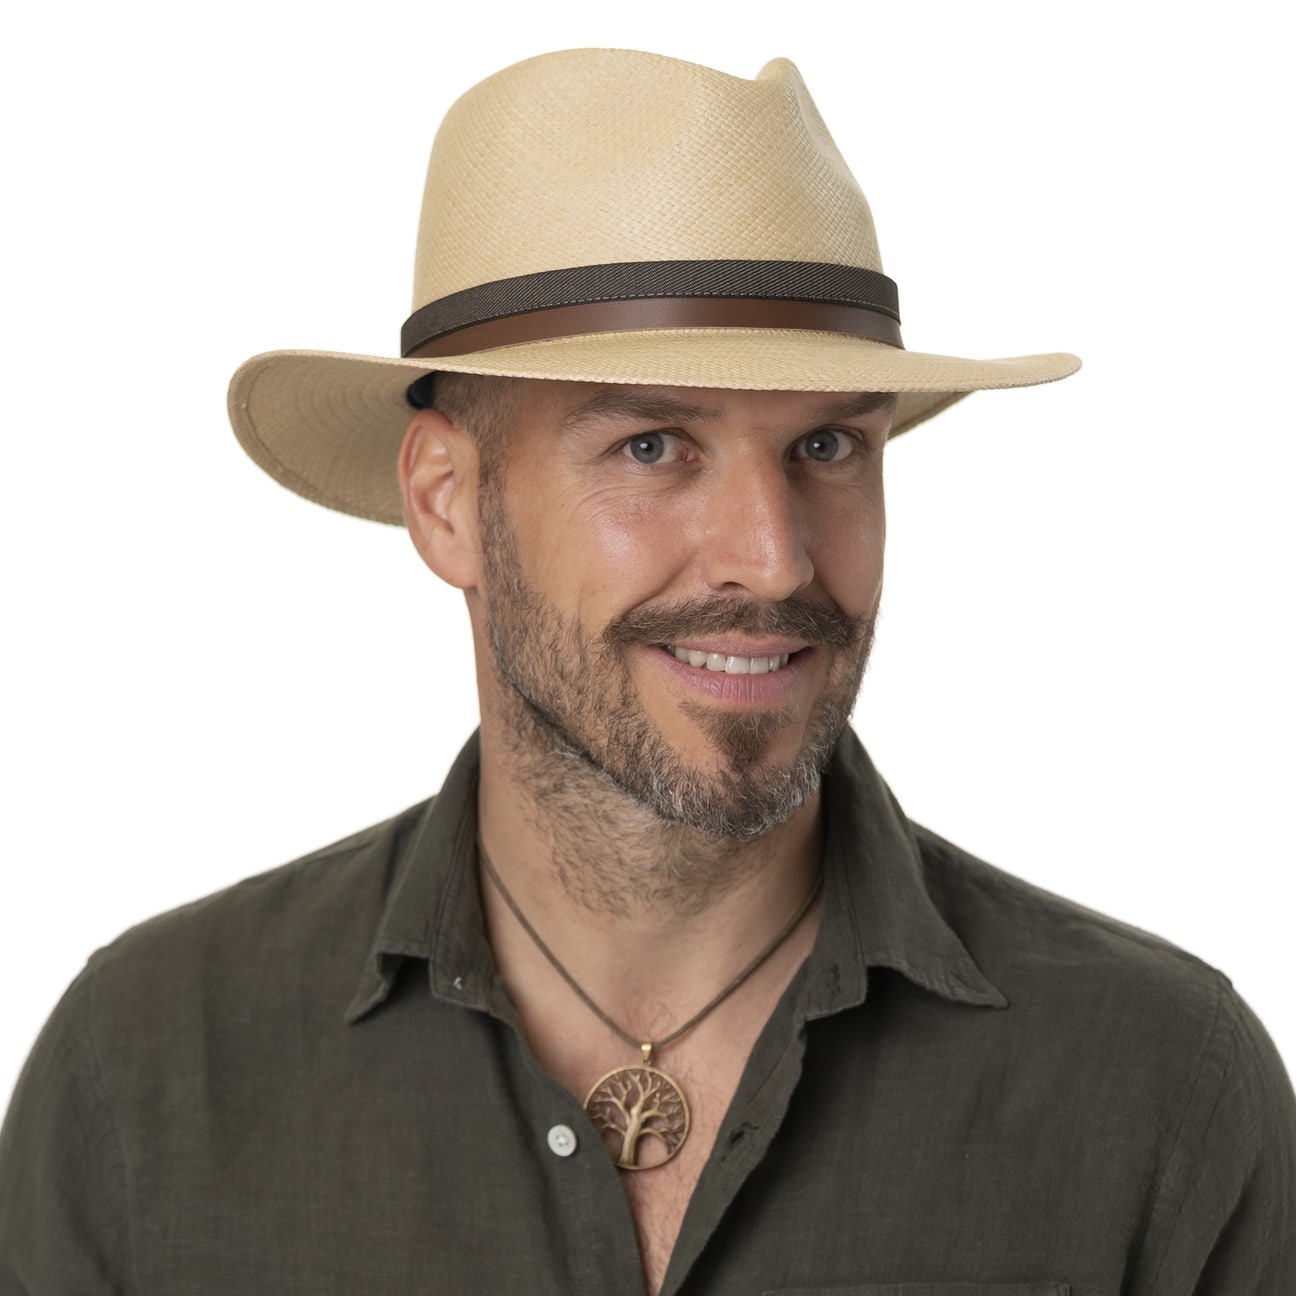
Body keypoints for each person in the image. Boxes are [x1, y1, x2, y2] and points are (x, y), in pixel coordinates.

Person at [1, 46, 1292, 1296]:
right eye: (654, 446)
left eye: (829, 446)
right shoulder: (151, 1075)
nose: (772, 557)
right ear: (447, 501)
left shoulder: (1156, 1084)